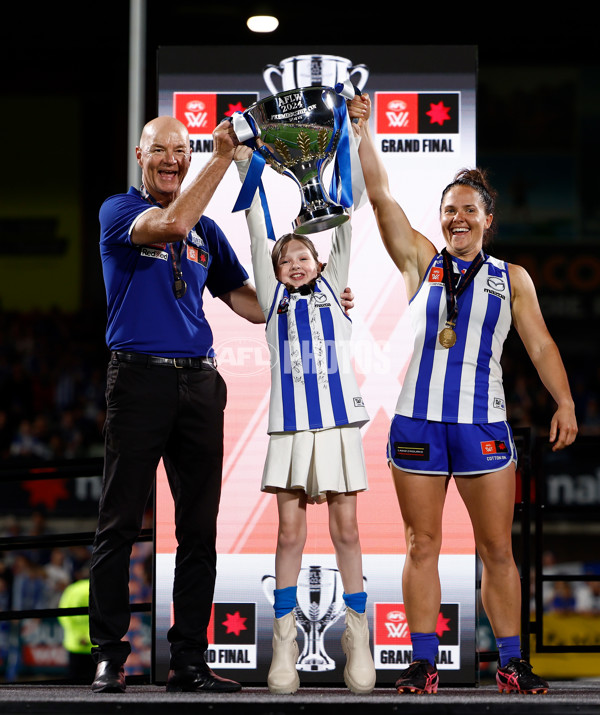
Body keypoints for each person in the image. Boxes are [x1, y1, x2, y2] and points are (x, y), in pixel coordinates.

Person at [89, 115, 355, 695]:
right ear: (140, 154)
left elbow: (251, 302)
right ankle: (110, 655)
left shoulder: (207, 232)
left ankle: (187, 660)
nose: (171, 159)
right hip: (138, 381)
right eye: (161, 150)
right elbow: (172, 221)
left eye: (181, 151)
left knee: (199, 529)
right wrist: (222, 155)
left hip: (200, 387)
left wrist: (317, 296)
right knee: (119, 523)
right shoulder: (120, 212)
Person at [349, 94, 577, 695]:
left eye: (469, 210)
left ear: (487, 219)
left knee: (496, 548)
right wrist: (363, 130)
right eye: (450, 210)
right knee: (422, 544)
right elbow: (380, 196)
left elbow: (542, 345)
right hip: (417, 424)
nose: (458, 218)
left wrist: (566, 402)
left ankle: (509, 661)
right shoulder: (420, 261)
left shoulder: (512, 278)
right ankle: (423, 663)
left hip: (483, 425)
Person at [234, 140, 376, 695]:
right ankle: (285, 643)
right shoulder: (271, 300)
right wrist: (247, 166)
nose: (293, 262)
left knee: (347, 530)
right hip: (290, 429)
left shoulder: (333, 285)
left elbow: (344, 217)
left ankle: (357, 637)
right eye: (284, 258)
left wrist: (354, 140)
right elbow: (257, 225)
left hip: (338, 426)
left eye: (302, 256)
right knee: (290, 533)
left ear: (320, 262)